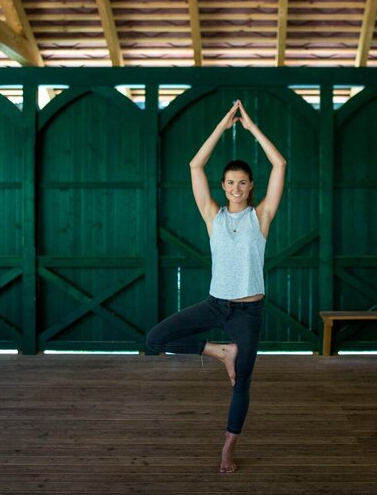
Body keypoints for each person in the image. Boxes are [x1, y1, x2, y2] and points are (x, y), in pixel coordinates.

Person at [145, 99, 286, 473]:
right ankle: (219, 351)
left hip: (248, 311)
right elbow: (195, 165)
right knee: (155, 340)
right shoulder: (212, 215)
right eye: (230, 183)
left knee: (242, 384)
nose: (236, 187)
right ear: (223, 187)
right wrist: (222, 127)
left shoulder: (262, 216)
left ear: (250, 185)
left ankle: (227, 450)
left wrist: (252, 127)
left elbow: (280, 164)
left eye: (242, 182)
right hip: (215, 304)